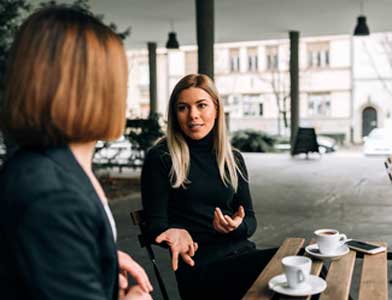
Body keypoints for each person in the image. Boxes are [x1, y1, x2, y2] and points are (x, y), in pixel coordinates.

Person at [0, 6, 152, 300]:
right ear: (94, 87)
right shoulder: (52, 195)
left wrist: (98, 260)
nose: (125, 89)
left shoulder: (50, 167)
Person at [141, 74, 276, 300]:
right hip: (201, 269)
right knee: (300, 264)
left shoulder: (232, 158)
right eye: (183, 108)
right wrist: (173, 232)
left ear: (216, 109)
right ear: (175, 114)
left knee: (307, 267)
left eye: (201, 105)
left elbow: (250, 220)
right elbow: (155, 225)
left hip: (242, 256)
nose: (193, 115)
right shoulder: (162, 158)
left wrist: (235, 226)